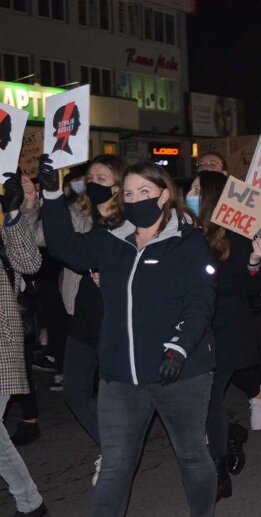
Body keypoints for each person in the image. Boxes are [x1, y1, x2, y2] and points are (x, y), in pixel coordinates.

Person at [39, 158, 218, 516]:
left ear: (164, 195)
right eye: (131, 193)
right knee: (115, 466)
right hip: (121, 376)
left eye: (145, 192)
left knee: (192, 456)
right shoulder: (112, 240)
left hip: (179, 373)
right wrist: (52, 195)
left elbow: (201, 302)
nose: (137, 200)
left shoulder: (187, 243)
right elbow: (66, 247)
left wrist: (178, 349)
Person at [22, 155, 125, 486]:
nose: (92, 182)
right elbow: (46, 239)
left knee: (123, 400)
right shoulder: (81, 214)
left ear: (120, 185)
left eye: (102, 177)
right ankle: (113, 450)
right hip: (84, 319)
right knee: (75, 393)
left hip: (119, 326)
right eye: (90, 176)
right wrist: (32, 203)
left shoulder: (134, 221)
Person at [186, 171, 261, 501]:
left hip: (227, 330)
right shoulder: (182, 231)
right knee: (203, 401)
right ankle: (229, 435)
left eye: (195, 189)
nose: (189, 193)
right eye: (189, 188)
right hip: (195, 329)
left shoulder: (235, 234)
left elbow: (250, 286)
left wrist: (253, 260)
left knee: (210, 399)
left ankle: (218, 468)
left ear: (210, 196)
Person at [0, 169, 48, 517]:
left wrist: (15, 213)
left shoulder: (6, 212)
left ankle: (30, 502)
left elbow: (30, 263)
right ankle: (30, 503)